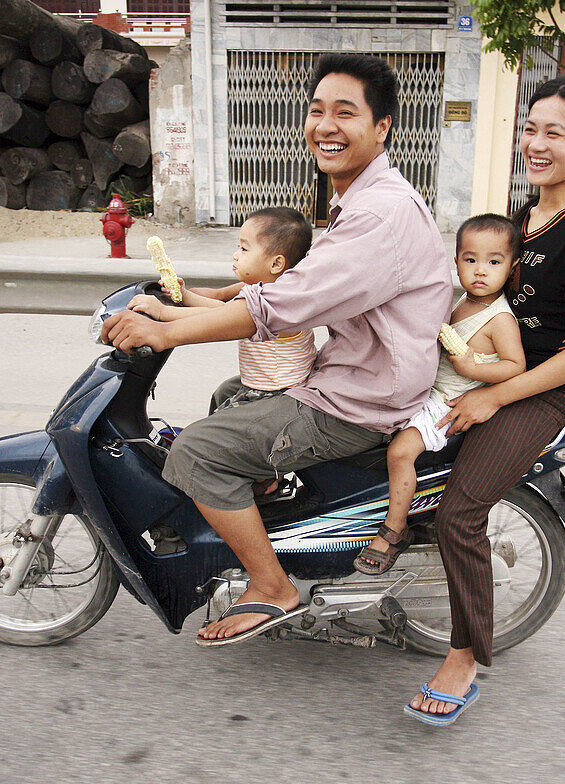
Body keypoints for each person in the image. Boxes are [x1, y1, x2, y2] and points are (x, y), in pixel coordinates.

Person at [101, 53, 452, 646]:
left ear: (383, 127)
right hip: (358, 376)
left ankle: (271, 587)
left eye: (346, 112)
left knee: (193, 454)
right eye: (317, 111)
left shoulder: (379, 215)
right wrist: (196, 301)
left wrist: (168, 329)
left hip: (358, 399)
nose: (326, 126)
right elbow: (295, 284)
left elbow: (283, 306)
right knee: (227, 395)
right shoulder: (364, 200)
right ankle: (262, 500)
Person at [404, 74, 565, 726]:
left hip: (543, 389)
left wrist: (495, 397)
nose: (536, 142)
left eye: (554, 132)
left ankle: (464, 658)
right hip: (492, 365)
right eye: (530, 128)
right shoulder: (524, 215)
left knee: (462, 514)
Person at [354, 214, 525, 575]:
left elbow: (514, 366)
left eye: (494, 262)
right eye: (470, 260)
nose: (481, 270)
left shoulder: (499, 319)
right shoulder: (461, 301)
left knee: (402, 452)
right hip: (426, 389)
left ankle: (394, 530)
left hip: (448, 402)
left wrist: (473, 368)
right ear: (456, 261)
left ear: (511, 268)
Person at [127, 207, 317, 413]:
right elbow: (218, 299)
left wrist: (162, 312)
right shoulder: (260, 287)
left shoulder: (282, 302)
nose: (236, 255)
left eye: (244, 249)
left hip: (277, 392)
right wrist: (184, 294)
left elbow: (221, 314)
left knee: (214, 426)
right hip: (264, 383)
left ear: (276, 263)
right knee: (222, 393)